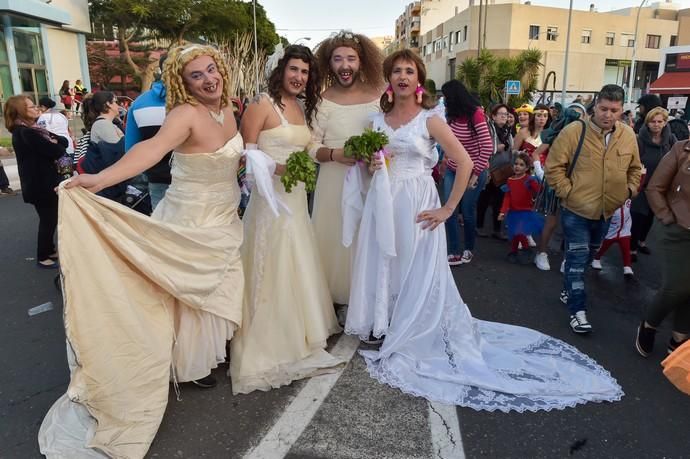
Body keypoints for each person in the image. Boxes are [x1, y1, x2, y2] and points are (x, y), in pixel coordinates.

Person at [347, 49, 623, 411]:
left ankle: (409, 326)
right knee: (385, 259)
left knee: (414, 267)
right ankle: (382, 321)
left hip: (417, 201)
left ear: (418, 79)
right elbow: (372, 167)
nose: (402, 76)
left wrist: (447, 209)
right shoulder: (377, 120)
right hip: (383, 200)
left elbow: (463, 162)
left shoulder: (430, 120)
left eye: (409, 71)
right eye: (396, 70)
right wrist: (374, 162)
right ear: (389, 78)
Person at [38, 44, 244, 458]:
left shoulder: (228, 110)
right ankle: (186, 365)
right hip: (192, 218)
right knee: (182, 292)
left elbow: (231, 159)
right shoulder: (183, 114)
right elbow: (148, 151)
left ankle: (199, 360)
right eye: (196, 75)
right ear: (182, 84)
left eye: (211, 70)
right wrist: (98, 179)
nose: (208, 79)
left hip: (225, 215)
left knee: (214, 286)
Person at [230, 45, 343, 394]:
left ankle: (299, 329)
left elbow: (308, 148)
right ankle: (270, 336)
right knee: (272, 261)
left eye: (305, 72)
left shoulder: (301, 107)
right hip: (269, 201)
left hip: (295, 196)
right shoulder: (261, 104)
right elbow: (245, 155)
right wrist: (282, 168)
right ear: (281, 70)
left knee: (296, 260)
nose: (299, 77)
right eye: (294, 69)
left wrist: (338, 154)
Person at [546, 84, 642, 334]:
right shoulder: (574, 131)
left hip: (607, 211)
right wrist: (568, 192)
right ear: (595, 106)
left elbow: (635, 168)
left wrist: (629, 191)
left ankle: (569, 289)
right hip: (575, 210)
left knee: (588, 257)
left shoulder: (628, 135)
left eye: (614, 110)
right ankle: (578, 311)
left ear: (622, 110)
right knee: (577, 260)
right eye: (603, 108)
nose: (608, 114)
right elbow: (554, 167)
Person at [309, 30, 385, 319]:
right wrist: (335, 155)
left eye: (351, 58)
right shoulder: (321, 100)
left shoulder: (379, 97)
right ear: (329, 64)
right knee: (334, 236)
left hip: (370, 179)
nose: (345, 65)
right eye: (338, 59)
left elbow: (389, 136)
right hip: (332, 181)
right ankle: (335, 298)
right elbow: (310, 145)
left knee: (367, 236)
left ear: (361, 61)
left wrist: (378, 156)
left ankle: (367, 297)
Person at [635, 138, 690, 358]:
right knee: (676, 286)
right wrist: (667, 217)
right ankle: (649, 324)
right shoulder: (682, 149)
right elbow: (655, 187)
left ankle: (680, 334)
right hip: (676, 229)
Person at [4, 96, 68, 269]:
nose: (36, 108)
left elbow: (63, 141)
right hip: (40, 185)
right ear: (20, 111)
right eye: (31, 106)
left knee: (50, 219)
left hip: (41, 183)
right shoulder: (27, 132)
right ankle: (43, 256)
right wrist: (56, 143)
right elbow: (56, 149)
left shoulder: (34, 129)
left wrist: (56, 143)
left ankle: (49, 250)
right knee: (48, 220)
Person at [441, 79, 493, 266]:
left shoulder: (476, 114)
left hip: (474, 171)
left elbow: (487, 147)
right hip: (453, 169)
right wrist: (445, 158)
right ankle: (454, 250)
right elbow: (450, 140)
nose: (444, 101)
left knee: (468, 212)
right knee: (449, 210)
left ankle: (468, 248)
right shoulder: (452, 115)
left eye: (446, 97)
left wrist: (476, 173)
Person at [532, 103, 586, 271]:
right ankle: (541, 253)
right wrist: (540, 171)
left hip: (578, 185)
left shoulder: (589, 138)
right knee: (552, 221)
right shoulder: (557, 135)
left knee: (573, 224)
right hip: (556, 183)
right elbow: (536, 153)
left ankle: (568, 258)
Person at [125, 55, 172, 209]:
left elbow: (130, 150)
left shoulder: (139, 103)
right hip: (198, 183)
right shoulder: (195, 101)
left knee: (161, 227)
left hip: (157, 177)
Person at [630, 107, 676, 261]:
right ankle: (632, 248)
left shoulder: (670, 140)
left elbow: (679, 158)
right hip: (641, 186)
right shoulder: (639, 140)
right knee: (637, 217)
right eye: (653, 121)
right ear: (647, 123)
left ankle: (642, 242)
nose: (656, 124)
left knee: (650, 216)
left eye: (660, 121)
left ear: (665, 123)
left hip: (660, 187)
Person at [498, 152, 543, 264]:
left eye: (521, 165)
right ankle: (515, 252)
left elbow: (539, 190)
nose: (517, 166)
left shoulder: (529, 179)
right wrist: (503, 211)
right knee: (515, 233)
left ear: (527, 167)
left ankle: (525, 248)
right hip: (513, 212)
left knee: (519, 231)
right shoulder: (510, 180)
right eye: (516, 164)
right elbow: (507, 197)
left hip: (525, 212)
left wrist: (538, 185)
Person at [477, 103, 512, 239]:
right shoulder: (488, 129)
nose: (504, 117)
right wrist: (496, 148)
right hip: (489, 170)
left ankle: (497, 230)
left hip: (503, 171)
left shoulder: (507, 130)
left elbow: (511, 148)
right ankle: (479, 226)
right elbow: (482, 146)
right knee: (483, 200)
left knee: (499, 201)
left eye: (506, 114)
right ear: (493, 116)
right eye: (501, 114)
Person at [591, 198, 634, 278]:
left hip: (624, 228)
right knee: (604, 245)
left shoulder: (628, 194)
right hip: (611, 228)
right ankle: (596, 258)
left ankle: (627, 266)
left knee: (626, 247)